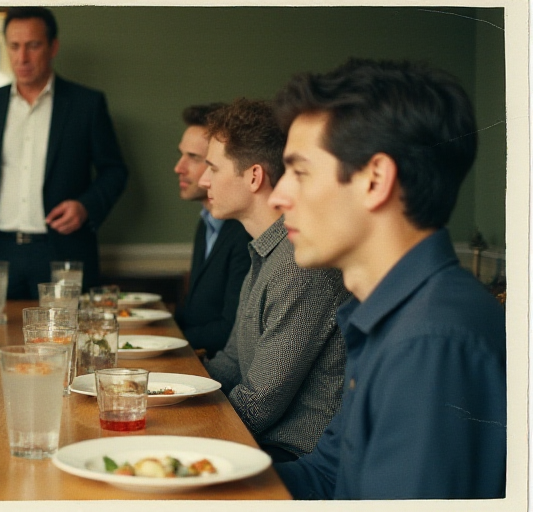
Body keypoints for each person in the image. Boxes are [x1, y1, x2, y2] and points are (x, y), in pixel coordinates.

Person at [269, 59, 505, 499]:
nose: (278, 196)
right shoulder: (389, 313)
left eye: (299, 172)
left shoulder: (429, 341)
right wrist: (190, 478)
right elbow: (327, 478)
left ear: (375, 180)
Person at [198, 99, 350, 463]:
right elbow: (229, 365)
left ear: (253, 176)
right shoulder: (264, 252)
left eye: (212, 168)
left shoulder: (299, 264)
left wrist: (187, 438)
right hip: (260, 443)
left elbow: (258, 404)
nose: (204, 180)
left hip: (292, 457)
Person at [0, 6, 128, 298]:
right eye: (14, 46)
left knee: (66, 339)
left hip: (62, 249)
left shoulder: (87, 104)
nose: (22, 58)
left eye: (33, 46)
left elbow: (115, 171)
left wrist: (85, 206)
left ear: (52, 46)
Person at [171, 103, 251, 357]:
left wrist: (165, 339)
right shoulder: (206, 222)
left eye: (194, 158)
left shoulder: (246, 232)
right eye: (181, 154)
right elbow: (196, 311)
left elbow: (229, 330)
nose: (178, 167)